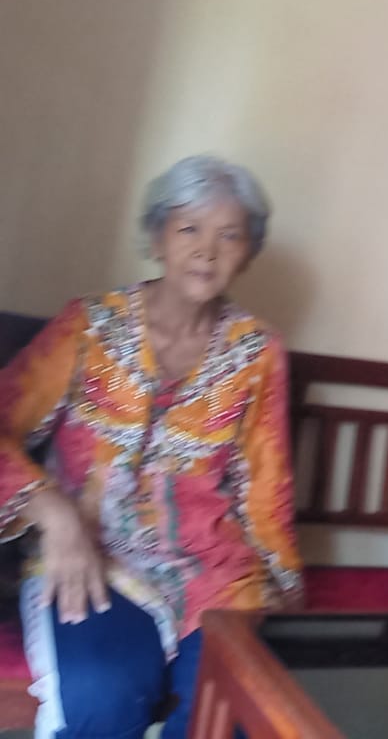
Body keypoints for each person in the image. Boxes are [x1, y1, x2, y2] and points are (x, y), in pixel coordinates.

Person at [0, 155, 303, 739]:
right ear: (157, 237)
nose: (207, 251)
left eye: (229, 235)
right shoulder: (89, 325)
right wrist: (54, 515)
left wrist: (282, 587)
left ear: (248, 252)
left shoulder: (258, 351)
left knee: (234, 704)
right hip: (91, 557)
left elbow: (267, 480)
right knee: (104, 691)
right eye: (189, 228)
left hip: (214, 571)